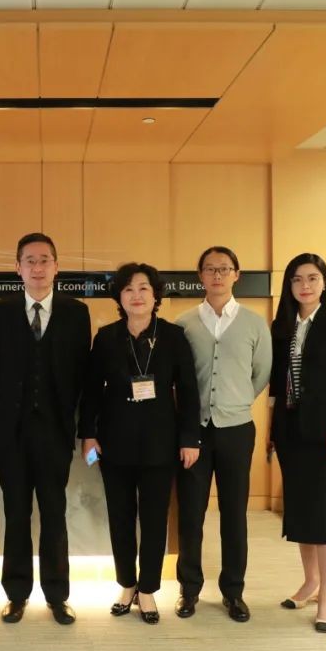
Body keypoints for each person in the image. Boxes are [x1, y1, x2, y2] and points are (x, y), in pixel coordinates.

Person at [79, 263, 200, 624]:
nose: (136, 295)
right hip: (113, 444)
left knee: (154, 519)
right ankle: (126, 585)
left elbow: (188, 392)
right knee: (120, 518)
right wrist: (88, 435)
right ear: (119, 296)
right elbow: (90, 392)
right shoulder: (106, 337)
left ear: (155, 295)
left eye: (144, 288)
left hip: (161, 444)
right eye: (128, 289)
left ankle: (147, 589)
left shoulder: (174, 337)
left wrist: (190, 438)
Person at [0, 232, 91, 625]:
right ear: (18, 268)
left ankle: (57, 595)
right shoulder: (0, 311)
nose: (37, 267)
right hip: (11, 434)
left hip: (55, 432)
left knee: (54, 512)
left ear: (56, 267)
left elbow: (81, 372)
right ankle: (16, 594)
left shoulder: (76, 312)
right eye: (29, 260)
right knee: (16, 514)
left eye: (45, 259)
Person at [174, 246, 271, 622]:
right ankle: (189, 589)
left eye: (224, 269)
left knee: (234, 514)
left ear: (236, 275)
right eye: (210, 269)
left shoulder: (254, 323)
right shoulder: (183, 323)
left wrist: (235, 400)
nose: (217, 275)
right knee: (191, 514)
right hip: (192, 432)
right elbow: (177, 379)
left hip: (236, 430)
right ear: (200, 275)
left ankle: (233, 592)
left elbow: (261, 374)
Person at [268, 252, 326, 634]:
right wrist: (271, 430)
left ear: (324, 282)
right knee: (301, 513)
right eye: (297, 279)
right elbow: (276, 384)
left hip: (325, 432)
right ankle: (310, 582)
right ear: (289, 285)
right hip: (290, 432)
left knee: (323, 516)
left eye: (312, 278)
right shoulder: (282, 326)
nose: (304, 285)